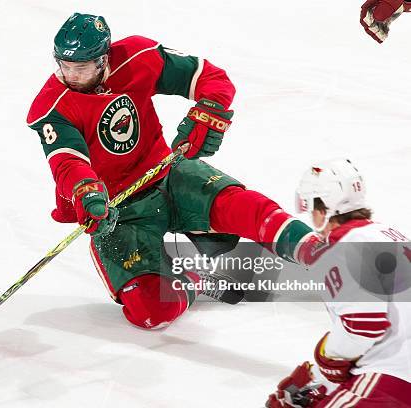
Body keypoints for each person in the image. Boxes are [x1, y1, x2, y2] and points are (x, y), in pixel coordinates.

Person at [26, 12, 319, 330]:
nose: (70, 75)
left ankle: (316, 251)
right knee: (151, 312)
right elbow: (68, 163)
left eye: (80, 68)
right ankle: (191, 275)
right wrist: (87, 194)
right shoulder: (52, 107)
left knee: (243, 207)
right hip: (117, 212)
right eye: (63, 66)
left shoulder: (137, 57)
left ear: (103, 58)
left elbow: (209, 76)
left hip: (166, 175)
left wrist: (210, 110)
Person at [266, 158, 411, 407]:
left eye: (312, 208)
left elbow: (364, 326)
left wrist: (325, 360)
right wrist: (319, 377)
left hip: (393, 377)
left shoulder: (343, 248)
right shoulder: (390, 234)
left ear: (324, 209)